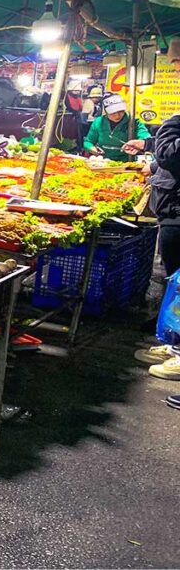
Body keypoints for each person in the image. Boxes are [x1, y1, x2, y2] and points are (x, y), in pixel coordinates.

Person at [123, 37, 180, 392]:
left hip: (178, 206)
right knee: (175, 280)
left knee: (178, 277)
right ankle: (175, 342)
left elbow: (173, 152)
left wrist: (167, 130)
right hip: (173, 205)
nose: (176, 69)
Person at [84, 93, 149, 162]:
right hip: (104, 161)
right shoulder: (99, 122)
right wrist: (92, 149)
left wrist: (140, 144)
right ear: (106, 112)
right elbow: (88, 142)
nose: (117, 115)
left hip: (127, 162)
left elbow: (145, 137)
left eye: (121, 111)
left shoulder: (133, 122)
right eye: (113, 113)